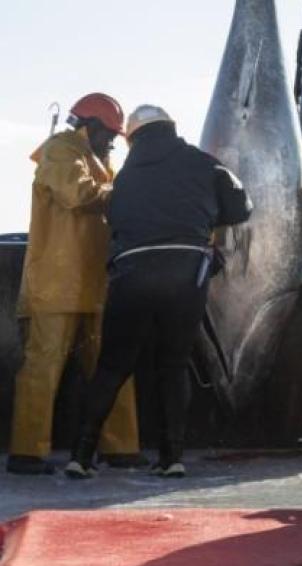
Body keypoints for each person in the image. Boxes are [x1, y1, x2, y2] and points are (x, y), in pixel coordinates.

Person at [65, 105, 251, 479]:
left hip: (131, 274)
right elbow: (241, 207)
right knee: (173, 365)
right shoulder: (204, 163)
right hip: (185, 275)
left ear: (132, 137)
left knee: (113, 365)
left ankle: (81, 456)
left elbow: (116, 218)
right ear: (172, 127)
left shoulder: (126, 177)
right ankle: (172, 458)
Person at [6, 93, 143, 475]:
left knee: (113, 365)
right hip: (56, 284)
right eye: (110, 134)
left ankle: (121, 448)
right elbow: (77, 194)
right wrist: (133, 195)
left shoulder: (102, 161)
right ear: (91, 126)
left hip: (97, 283)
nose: (113, 142)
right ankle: (27, 453)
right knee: (43, 368)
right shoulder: (59, 151)